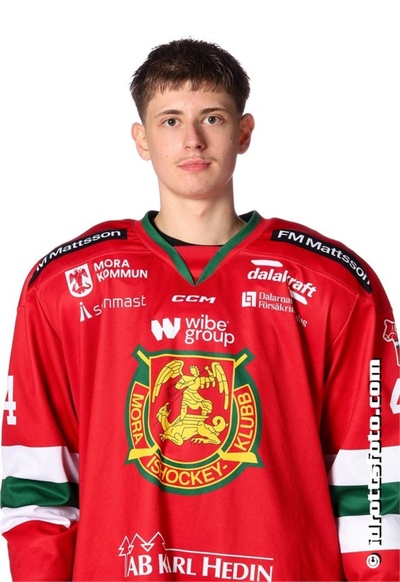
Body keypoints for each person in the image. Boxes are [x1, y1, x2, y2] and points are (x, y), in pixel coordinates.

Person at [1, 38, 399, 582]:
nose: (192, 139)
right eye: (170, 120)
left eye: (212, 117)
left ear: (244, 132)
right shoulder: (65, 286)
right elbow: (38, 481)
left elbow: (372, 481)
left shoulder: (333, 284)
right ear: (141, 139)